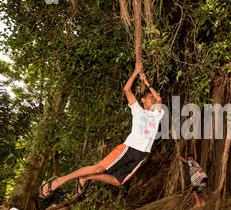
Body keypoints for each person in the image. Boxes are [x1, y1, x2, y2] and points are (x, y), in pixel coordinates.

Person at [39, 62, 164, 198]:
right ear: (143, 100)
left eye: (153, 98)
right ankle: (60, 180)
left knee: (117, 181)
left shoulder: (157, 114)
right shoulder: (137, 110)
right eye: (149, 98)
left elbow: (159, 98)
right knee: (99, 168)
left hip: (142, 154)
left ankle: (86, 178)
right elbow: (127, 90)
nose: (153, 100)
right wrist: (136, 73)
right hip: (129, 148)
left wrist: (146, 82)